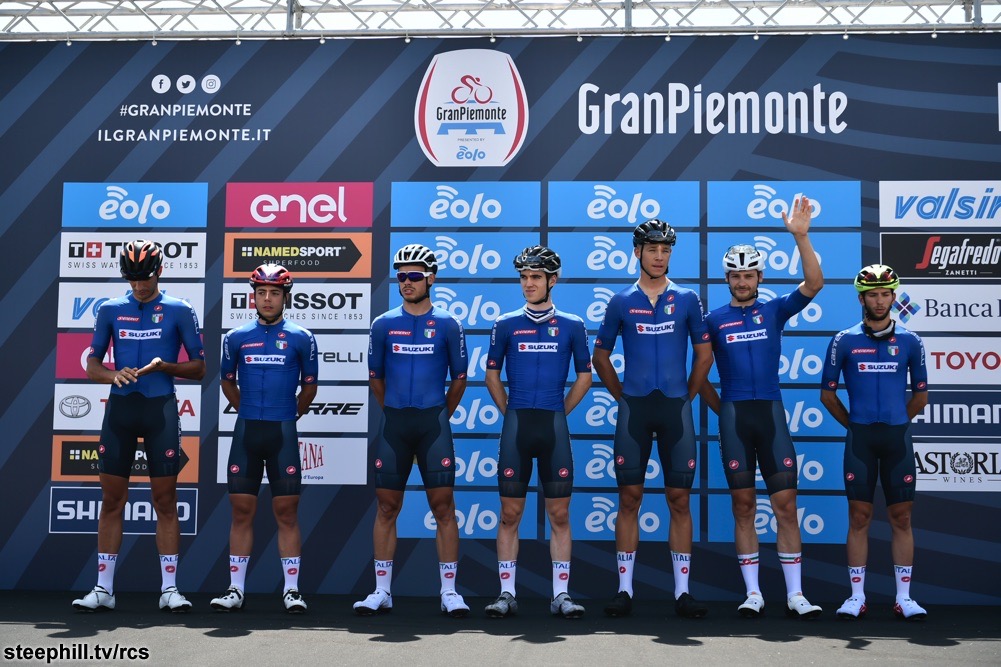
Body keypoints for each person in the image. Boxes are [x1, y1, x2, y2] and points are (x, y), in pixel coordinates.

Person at [700, 196, 824, 619]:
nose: (742, 281)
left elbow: (814, 284)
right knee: (744, 507)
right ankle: (753, 593)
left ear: (759, 277)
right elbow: (698, 374)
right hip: (735, 418)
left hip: (771, 416)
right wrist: (723, 409)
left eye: (748, 274)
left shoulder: (774, 310)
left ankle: (795, 594)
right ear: (727, 279)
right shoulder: (714, 320)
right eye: (735, 275)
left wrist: (801, 237)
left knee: (786, 506)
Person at [72, 239, 206, 612]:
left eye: (144, 278)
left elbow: (199, 368)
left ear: (159, 271)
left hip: (160, 409)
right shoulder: (110, 309)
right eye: (131, 279)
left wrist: (166, 367)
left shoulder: (180, 310)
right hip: (121, 410)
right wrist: (112, 375)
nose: (139, 286)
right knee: (112, 500)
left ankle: (169, 590)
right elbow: (92, 364)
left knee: (165, 500)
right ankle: (103, 590)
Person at [592, 219, 713, 619]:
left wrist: (687, 396)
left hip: (675, 408)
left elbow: (704, 355)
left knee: (680, 500)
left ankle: (683, 592)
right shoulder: (621, 301)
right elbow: (600, 357)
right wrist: (623, 396)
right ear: (637, 252)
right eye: (652, 249)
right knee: (629, 499)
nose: (660, 256)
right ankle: (624, 589)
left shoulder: (688, 299)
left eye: (666, 250)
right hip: (636, 410)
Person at [355, 243, 470, 618]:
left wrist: (439, 415)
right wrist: (395, 410)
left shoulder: (449, 324)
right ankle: (382, 591)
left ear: (431, 278)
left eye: (414, 275)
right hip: (395, 425)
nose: (406, 281)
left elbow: (459, 379)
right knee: (386, 507)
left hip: (433, 424)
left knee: (444, 508)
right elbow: (376, 378)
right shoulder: (383, 324)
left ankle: (449, 592)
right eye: (401, 275)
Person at [483, 245, 592, 619]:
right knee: (509, 513)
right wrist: (511, 412)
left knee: (559, 515)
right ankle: (506, 593)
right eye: (524, 277)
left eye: (536, 277)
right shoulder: (506, 323)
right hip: (517, 426)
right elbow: (492, 375)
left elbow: (584, 377)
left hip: (553, 428)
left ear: (552, 280)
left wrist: (559, 412)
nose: (528, 283)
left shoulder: (573, 325)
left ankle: (561, 595)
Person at [820, 264, 929, 622]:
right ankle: (856, 597)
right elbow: (827, 396)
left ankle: (904, 598)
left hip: (897, 438)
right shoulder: (844, 340)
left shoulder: (911, 341)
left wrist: (896, 423)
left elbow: (921, 398)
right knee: (859, 516)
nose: (879, 301)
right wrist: (856, 426)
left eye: (885, 294)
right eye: (872, 295)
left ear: (894, 297)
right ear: (861, 299)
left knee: (902, 517)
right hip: (861, 439)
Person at [210, 264, 318, 614]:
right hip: (247, 433)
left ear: (286, 297)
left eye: (274, 293)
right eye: (261, 293)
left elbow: (310, 388)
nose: (267, 299)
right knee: (241, 511)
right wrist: (248, 409)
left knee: (287, 513)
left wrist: (287, 414)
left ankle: (292, 590)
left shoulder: (302, 337)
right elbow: (227, 382)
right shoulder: (236, 337)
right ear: (253, 297)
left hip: (282, 432)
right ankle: (235, 589)